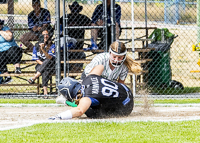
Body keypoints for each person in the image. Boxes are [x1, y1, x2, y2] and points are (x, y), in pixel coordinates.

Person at [49, 65, 134, 120]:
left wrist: (59, 116)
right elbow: (100, 66)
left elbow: (79, 111)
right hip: (126, 89)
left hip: (126, 107)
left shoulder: (86, 98)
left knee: (89, 112)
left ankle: (66, 102)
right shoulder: (89, 77)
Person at [59, 1, 91, 72]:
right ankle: (64, 74)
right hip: (67, 44)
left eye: (76, 9)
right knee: (63, 57)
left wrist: (79, 25)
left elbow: (91, 24)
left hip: (79, 44)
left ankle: (74, 74)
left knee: (81, 55)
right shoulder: (66, 17)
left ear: (79, 10)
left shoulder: (82, 17)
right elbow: (57, 26)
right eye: (73, 9)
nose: (75, 11)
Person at [27, 28, 55, 96]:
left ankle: (34, 78)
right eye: (43, 35)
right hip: (41, 65)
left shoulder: (52, 45)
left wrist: (43, 49)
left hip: (51, 65)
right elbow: (36, 59)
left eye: (47, 34)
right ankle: (45, 92)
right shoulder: (36, 45)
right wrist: (44, 65)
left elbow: (49, 57)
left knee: (48, 61)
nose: (45, 36)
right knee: (45, 70)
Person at [0, 19, 22, 84]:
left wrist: (0, 31)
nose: (0, 25)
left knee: (13, 50)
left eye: (0, 24)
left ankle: (17, 68)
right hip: (2, 54)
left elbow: (9, 37)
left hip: (12, 52)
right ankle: (7, 76)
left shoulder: (5, 29)